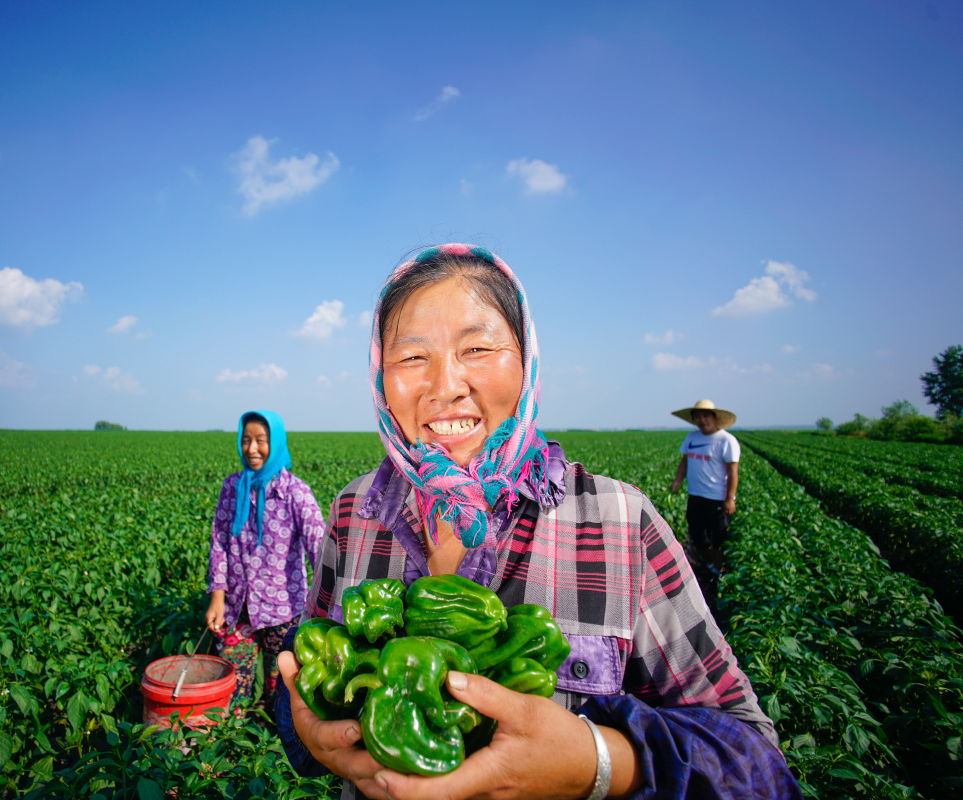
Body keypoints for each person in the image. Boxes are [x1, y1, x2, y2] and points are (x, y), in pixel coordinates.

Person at [275, 244, 799, 800]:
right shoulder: (355, 510)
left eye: (477, 348)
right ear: (381, 376)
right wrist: (309, 729)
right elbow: (310, 671)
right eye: (410, 357)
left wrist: (597, 762)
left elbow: (754, 762)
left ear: (525, 362)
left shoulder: (617, 522)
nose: (446, 385)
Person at [206, 410, 326, 708]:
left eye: (261, 440)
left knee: (281, 692)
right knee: (231, 690)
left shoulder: (295, 493)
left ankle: (271, 734)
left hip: (283, 610)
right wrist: (217, 597)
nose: (252, 449)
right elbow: (219, 542)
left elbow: (320, 550)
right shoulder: (232, 488)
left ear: (276, 442)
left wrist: (325, 607)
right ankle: (233, 733)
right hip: (236, 608)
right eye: (246, 440)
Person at [669, 399, 740, 598]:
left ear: (715, 417)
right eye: (698, 417)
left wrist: (729, 498)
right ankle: (710, 564)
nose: (702, 420)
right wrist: (678, 480)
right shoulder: (692, 438)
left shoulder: (726, 441)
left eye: (705, 416)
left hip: (717, 498)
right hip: (695, 495)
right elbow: (684, 462)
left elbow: (733, 472)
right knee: (697, 534)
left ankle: (718, 571)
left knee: (719, 536)